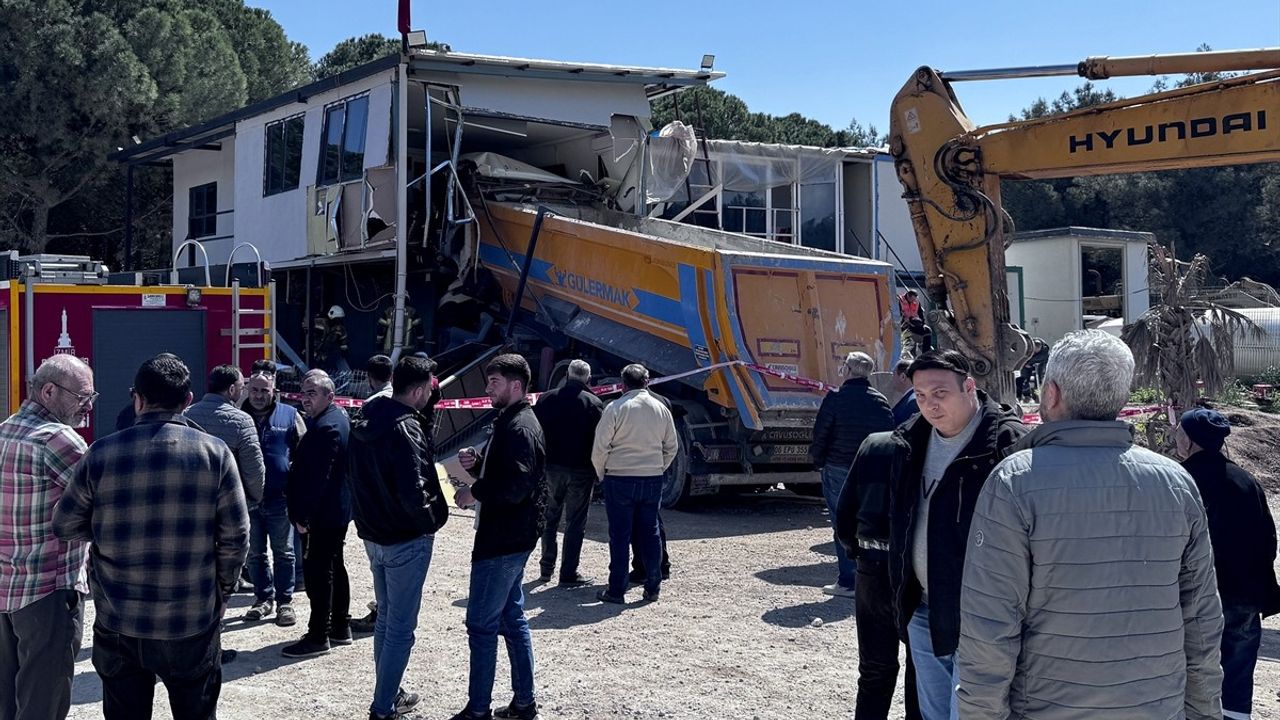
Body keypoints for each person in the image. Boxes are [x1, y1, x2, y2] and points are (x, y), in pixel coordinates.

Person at [956, 330, 1225, 719]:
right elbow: (1201, 617)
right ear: (1122, 398)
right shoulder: (1175, 482)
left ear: (1051, 394)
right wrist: (1203, 712)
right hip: (1155, 707)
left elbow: (990, 625)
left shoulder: (1014, 481)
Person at [52, 354, 248, 720]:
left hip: (120, 619)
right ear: (188, 400)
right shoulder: (215, 453)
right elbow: (236, 537)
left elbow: (65, 525)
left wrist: (108, 529)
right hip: (191, 620)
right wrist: (224, 591)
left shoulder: (101, 454)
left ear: (136, 399)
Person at [874, 349, 1026, 720]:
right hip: (923, 606)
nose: (930, 406)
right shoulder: (910, 441)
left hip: (982, 614)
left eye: (940, 394)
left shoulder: (1008, 443)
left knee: (970, 713)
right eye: (921, 396)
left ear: (969, 387)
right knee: (934, 713)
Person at [348, 355, 448, 720]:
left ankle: (390, 693)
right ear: (420, 390)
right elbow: (414, 488)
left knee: (388, 622)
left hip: (374, 536)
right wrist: (434, 520)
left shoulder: (367, 415)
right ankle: (383, 705)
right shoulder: (406, 426)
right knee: (399, 629)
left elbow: (356, 477)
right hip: (405, 538)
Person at [451, 353, 546, 720]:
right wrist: (479, 466)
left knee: (481, 625)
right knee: (512, 619)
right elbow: (509, 474)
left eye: (494, 382)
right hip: (513, 535)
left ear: (516, 385)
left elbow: (516, 485)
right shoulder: (511, 420)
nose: (487, 387)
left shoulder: (519, 426)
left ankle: (478, 711)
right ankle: (524, 703)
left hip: (503, 540)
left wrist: (475, 491)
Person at [0, 356, 95, 720]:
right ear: (49, 391)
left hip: (8, 591)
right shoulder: (58, 439)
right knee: (44, 704)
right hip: (48, 594)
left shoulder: (6, 430)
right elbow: (100, 503)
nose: (87, 406)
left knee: (8, 702)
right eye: (82, 397)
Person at [1176, 407, 1280, 720]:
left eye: (1178, 431)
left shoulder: (1181, 481)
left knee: (1192, 676)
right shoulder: (1246, 482)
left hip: (1197, 598)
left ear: (1190, 441)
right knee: (1236, 681)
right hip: (1244, 600)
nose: (1174, 437)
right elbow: (1268, 541)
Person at [836, 431, 921, 720]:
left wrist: (855, 552)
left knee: (874, 670)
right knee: (920, 669)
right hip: (915, 569)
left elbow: (844, 512)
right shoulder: (930, 446)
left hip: (872, 564)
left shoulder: (872, 444)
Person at [592, 363, 678, 605]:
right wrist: (658, 467)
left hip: (619, 478)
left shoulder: (615, 408)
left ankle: (616, 590)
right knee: (650, 534)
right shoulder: (661, 408)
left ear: (622, 383)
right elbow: (672, 446)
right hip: (651, 478)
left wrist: (602, 473)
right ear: (647, 381)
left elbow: (600, 447)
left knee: (619, 536)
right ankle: (653, 587)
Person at [810, 351, 894, 597]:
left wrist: (818, 461)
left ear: (846, 370)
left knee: (841, 524)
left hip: (838, 468)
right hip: (869, 470)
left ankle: (848, 580)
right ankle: (870, 577)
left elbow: (821, 432)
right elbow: (888, 435)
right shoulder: (880, 401)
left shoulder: (836, 398)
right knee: (867, 522)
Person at [283, 371, 353, 658]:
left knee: (318, 572)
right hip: (334, 511)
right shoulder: (334, 419)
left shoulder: (327, 427)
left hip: (323, 514)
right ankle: (339, 626)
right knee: (334, 565)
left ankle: (318, 635)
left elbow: (318, 479)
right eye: (304, 392)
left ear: (329, 396)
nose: (305, 398)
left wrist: (303, 516)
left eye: (312, 393)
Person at [241, 369, 307, 626]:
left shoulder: (290, 415)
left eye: (264, 390)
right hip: (248, 499)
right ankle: (262, 599)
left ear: (274, 392)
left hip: (280, 498)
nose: (258, 395)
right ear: (247, 389)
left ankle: (285, 603)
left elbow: (303, 452)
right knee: (254, 554)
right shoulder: (239, 417)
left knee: (284, 553)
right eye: (254, 390)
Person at [533, 359, 604, 586]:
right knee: (575, 522)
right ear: (588, 379)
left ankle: (546, 569)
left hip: (551, 468)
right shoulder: (594, 403)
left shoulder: (546, 399)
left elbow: (536, 432)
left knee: (549, 518)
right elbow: (599, 440)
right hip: (581, 470)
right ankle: (568, 573)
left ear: (567, 375)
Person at [184, 364, 266, 510]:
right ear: (232, 389)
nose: (242, 392)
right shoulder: (242, 421)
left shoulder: (186, 414)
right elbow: (253, 467)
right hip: (229, 501)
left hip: (192, 499)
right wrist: (254, 498)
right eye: (242, 388)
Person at [898, 291, 933, 357]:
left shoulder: (916, 301)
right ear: (908, 296)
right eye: (912, 299)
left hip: (915, 323)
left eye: (914, 299)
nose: (913, 301)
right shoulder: (900, 301)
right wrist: (904, 320)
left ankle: (925, 355)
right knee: (909, 338)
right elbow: (898, 315)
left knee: (928, 330)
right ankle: (911, 353)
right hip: (904, 324)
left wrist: (922, 323)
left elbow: (920, 312)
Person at [889, 357, 919, 426]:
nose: (892, 379)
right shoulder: (912, 398)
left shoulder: (913, 402)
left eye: (893, 374)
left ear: (903, 377)